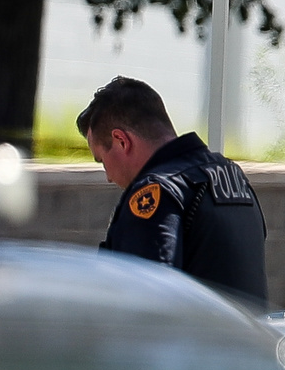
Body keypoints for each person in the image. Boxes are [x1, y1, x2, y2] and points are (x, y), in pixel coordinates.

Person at [79, 77, 268, 304]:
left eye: (102, 160)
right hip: (247, 337)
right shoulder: (231, 176)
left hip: (192, 339)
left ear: (121, 140)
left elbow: (147, 300)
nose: (108, 177)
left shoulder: (158, 191)